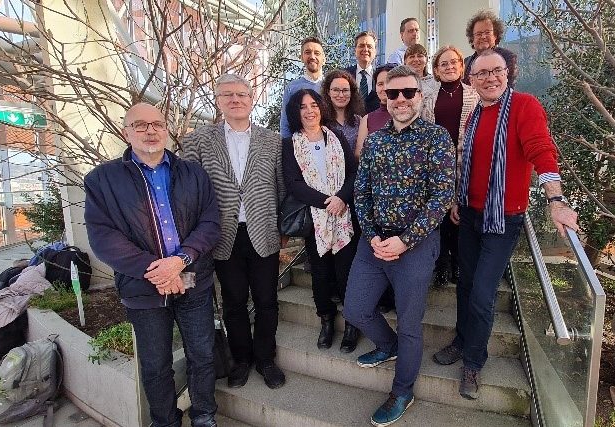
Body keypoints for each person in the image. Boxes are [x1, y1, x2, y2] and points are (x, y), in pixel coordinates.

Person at [432, 50, 579, 400]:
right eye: (480, 73)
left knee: (483, 294)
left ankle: (473, 362)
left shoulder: (524, 106)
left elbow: (542, 150)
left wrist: (555, 200)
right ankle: (462, 339)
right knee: (465, 285)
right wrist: (457, 198)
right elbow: (466, 161)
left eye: (495, 71)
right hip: (468, 214)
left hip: (504, 217)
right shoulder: (475, 115)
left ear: (507, 72)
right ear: (471, 80)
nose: (489, 78)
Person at [84, 103, 221, 427]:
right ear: (126, 131)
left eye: (157, 124)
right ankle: (165, 421)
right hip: (145, 289)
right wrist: (158, 270)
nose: (150, 130)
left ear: (166, 129)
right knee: (155, 365)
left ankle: (204, 416)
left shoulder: (192, 173)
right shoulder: (102, 180)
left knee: (202, 356)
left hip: (194, 281)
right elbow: (103, 237)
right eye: (141, 125)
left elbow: (210, 222)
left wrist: (180, 260)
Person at [344, 65, 455, 427]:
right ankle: (387, 346)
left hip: (416, 247)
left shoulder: (437, 138)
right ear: (384, 98)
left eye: (409, 92)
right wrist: (374, 235)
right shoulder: (375, 140)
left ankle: (402, 391)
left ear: (421, 96)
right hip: (374, 244)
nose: (401, 100)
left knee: (410, 324)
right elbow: (361, 191)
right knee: (356, 309)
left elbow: (441, 197)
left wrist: (404, 241)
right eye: (394, 94)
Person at [182, 74, 287, 390]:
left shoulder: (272, 141)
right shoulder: (199, 140)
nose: (235, 99)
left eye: (242, 94)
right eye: (227, 94)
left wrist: (282, 229)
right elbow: (188, 192)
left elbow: (281, 187)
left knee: (267, 299)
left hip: (264, 232)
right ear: (218, 100)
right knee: (234, 301)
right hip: (223, 235)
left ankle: (266, 359)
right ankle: (242, 360)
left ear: (251, 99)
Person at [282, 89, 360, 353]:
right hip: (316, 220)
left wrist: (341, 198)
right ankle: (326, 320)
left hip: (343, 218)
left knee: (347, 273)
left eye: (313, 105)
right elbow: (293, 184)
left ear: (321, 108)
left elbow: (353, 174)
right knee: (321, 274)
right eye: (302, 107)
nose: (309, 110)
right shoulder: (290, 144)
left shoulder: (335, 136)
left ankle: (352, 323)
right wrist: (328, 201)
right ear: (296, 112)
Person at [420, 45, 480, 288]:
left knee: (460, 216)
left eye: (454, 62)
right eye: (443, 63)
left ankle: (458, 263)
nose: (449, 66)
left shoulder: (474, 95)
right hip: (435, 164)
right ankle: (441, 265)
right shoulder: (428, 96)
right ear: (436, 69)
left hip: (466, 164)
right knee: (439, 216)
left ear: (461, 65)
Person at [280, 37, 325, 138]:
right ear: (301, 57)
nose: (312, 56)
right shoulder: (292, 88)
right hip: (300, 147)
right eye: (308, 52)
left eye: (317, 53)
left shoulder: (331, 86)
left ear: (324, 58)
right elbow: (285, 123)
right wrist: (287, 148)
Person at [462, 10, 518, 88]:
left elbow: (507, 89)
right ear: (472, 38)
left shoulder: (507, 57)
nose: (483, 37)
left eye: (487, 32)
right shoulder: (465, 63)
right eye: (479, 34)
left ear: (495, 35)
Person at [354, 64, 395, 160]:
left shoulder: (407, 115)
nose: (384, 88)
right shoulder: (367, 119)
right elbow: (359, 154)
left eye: (389, 82)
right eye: (380, 84)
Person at [321, 69, 364, 149]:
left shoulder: (359, 121)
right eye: (336, 90)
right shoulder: (320, 121)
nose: (341, 95)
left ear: (351, 93)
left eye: (345, 90)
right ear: (328, 92)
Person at [345, 31, 381, 113]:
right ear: (355, 50)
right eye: (361, 46)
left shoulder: (381, 77)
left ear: (375, 52)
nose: (365, 49)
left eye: (369, 46)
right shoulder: (344, 75)